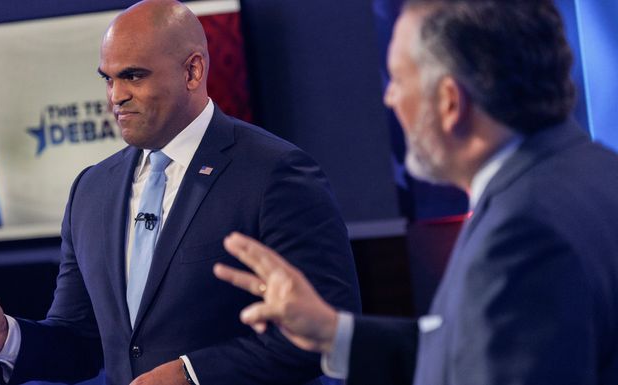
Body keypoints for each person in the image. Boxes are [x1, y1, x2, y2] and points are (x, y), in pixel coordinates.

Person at [0, 1, 361, 384]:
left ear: (193, 70)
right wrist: (9, 338)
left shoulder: (275, 173)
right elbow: (81, 342)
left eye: (133, 76)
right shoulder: (91, 190)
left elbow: (330, 330)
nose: (115, 96)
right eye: (107, 78)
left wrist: (192, 373)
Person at [214, 1, 618, 384]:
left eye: (398, 79)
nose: (389, 98)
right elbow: (473, 350)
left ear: (449, 102)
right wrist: (333, 333)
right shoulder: (594, 170)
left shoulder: (520, 231)